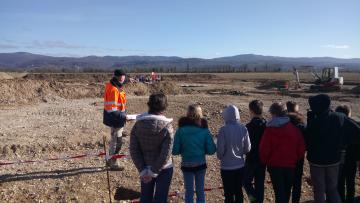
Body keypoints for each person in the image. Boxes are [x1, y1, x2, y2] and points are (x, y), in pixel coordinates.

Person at [305, 94, 360, 203]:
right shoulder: (339, 117)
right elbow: (357, 130)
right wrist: (344, 143)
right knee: (332, 189)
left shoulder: (314, 122)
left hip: (316, 161)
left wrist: (310, 120)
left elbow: (307, 141)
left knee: (319, 190)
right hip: (334, 160)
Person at [130, 93, 174, 203]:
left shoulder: (137, 125)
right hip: (164, 168)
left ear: (149, 105)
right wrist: (153, 172)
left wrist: (143, 170)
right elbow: (166, 153)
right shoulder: (167, 127)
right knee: (161, 198)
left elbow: (134, 150)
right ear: (164, 107)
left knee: (145, 197)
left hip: (145, 166)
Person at [259, 102, 305, 203]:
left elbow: (264, 149)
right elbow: (301, 148)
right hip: (290, 166)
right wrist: (295, 159)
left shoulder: (269, 130)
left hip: (274, 166)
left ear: (273, 113)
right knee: (287, 191)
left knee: (279, 193)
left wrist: (265, 161)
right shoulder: (294, 129)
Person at [172, 104, 216, 203]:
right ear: (200, 115)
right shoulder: (204, 130)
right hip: (201, 164)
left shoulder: (180, 130)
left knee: (189, 191)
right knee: (200, 191)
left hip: (187, 164)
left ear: (187, 114)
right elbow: (212, 150)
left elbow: (175, 151)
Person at [217, 105, 251, 203]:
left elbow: (220, 150)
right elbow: (248, 148)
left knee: (228, 193)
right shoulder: (243, 128)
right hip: (240, 166)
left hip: (226, 167)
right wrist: (241, 154)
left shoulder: (223, 130)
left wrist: (221, 157)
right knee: (238, 191)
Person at [103, 69, 127, 170]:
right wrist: (125, 117)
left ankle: (110, 160)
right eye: (121, 76)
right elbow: (113, 109)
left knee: (115, 140)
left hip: (116, 119)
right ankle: (113, 163)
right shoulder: (114, 89)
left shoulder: (114, 86)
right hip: (116, 119)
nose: (123, 78)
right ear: (117, 77)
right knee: (117, 142)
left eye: (124, 76)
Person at [335, 105, 360, 203]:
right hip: (352, 158)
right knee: (350, 182)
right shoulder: (356, 125)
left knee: (339, 182)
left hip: (337, 159)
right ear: (349, 113)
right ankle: (350, 200)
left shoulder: (335, 125)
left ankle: (341, 200)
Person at [243, 100, 267, 203]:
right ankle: (258, 201)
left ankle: (253, 200)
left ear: (251, 111)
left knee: (246, 182)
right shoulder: (266, 125)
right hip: (262, 159)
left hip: (251, 159)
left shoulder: (248, 127)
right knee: (259, 184)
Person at [287, 112, 306, 203]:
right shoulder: (302, 129)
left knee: (286, 185)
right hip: (299, 160)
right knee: (297, 184)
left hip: (287, 160)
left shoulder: (285, 129)